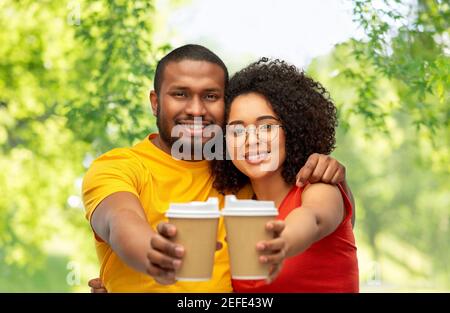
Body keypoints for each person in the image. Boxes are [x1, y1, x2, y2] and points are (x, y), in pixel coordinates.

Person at [83, 44, 354, 292]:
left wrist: (333, 178)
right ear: (155, 102)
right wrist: (152, 255)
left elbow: (319, 218)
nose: (196, 110)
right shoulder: (120, 167)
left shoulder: (246, 182)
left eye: (211, 96)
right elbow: (119, 221)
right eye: (180, 94)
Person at [211, 58, 358, 292]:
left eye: (266, 126)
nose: (251, 140)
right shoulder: (238, 208)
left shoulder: (319, 186)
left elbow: (314, 218)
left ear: (292, 129)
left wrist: (282, 242)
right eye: (237, 130)